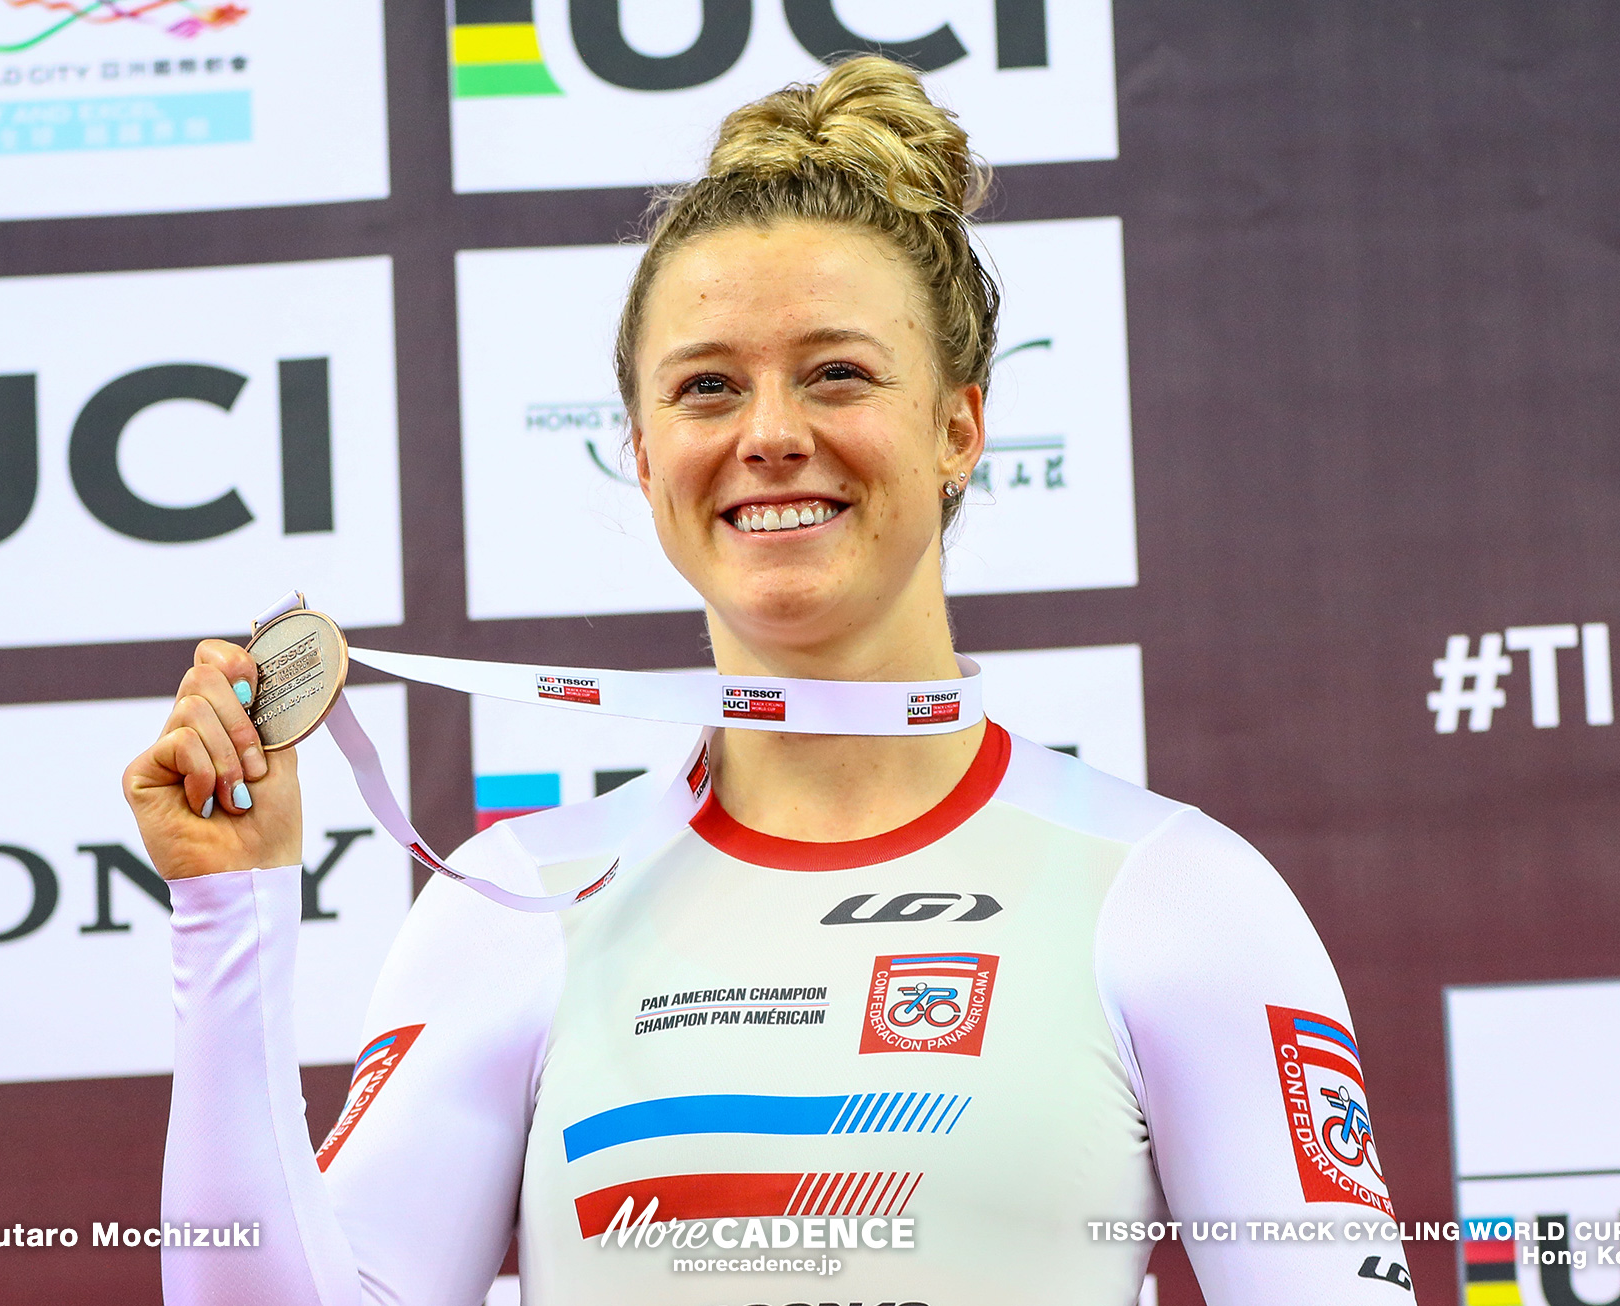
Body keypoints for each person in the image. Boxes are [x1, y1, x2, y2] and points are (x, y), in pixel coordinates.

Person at [125, 56, 1417, 1306]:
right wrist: (227, 914)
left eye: (837, 372)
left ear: (961, 424)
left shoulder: (1174, 898)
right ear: (641, 455)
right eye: (708, 388)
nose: (772, 434)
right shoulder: (513, 908)